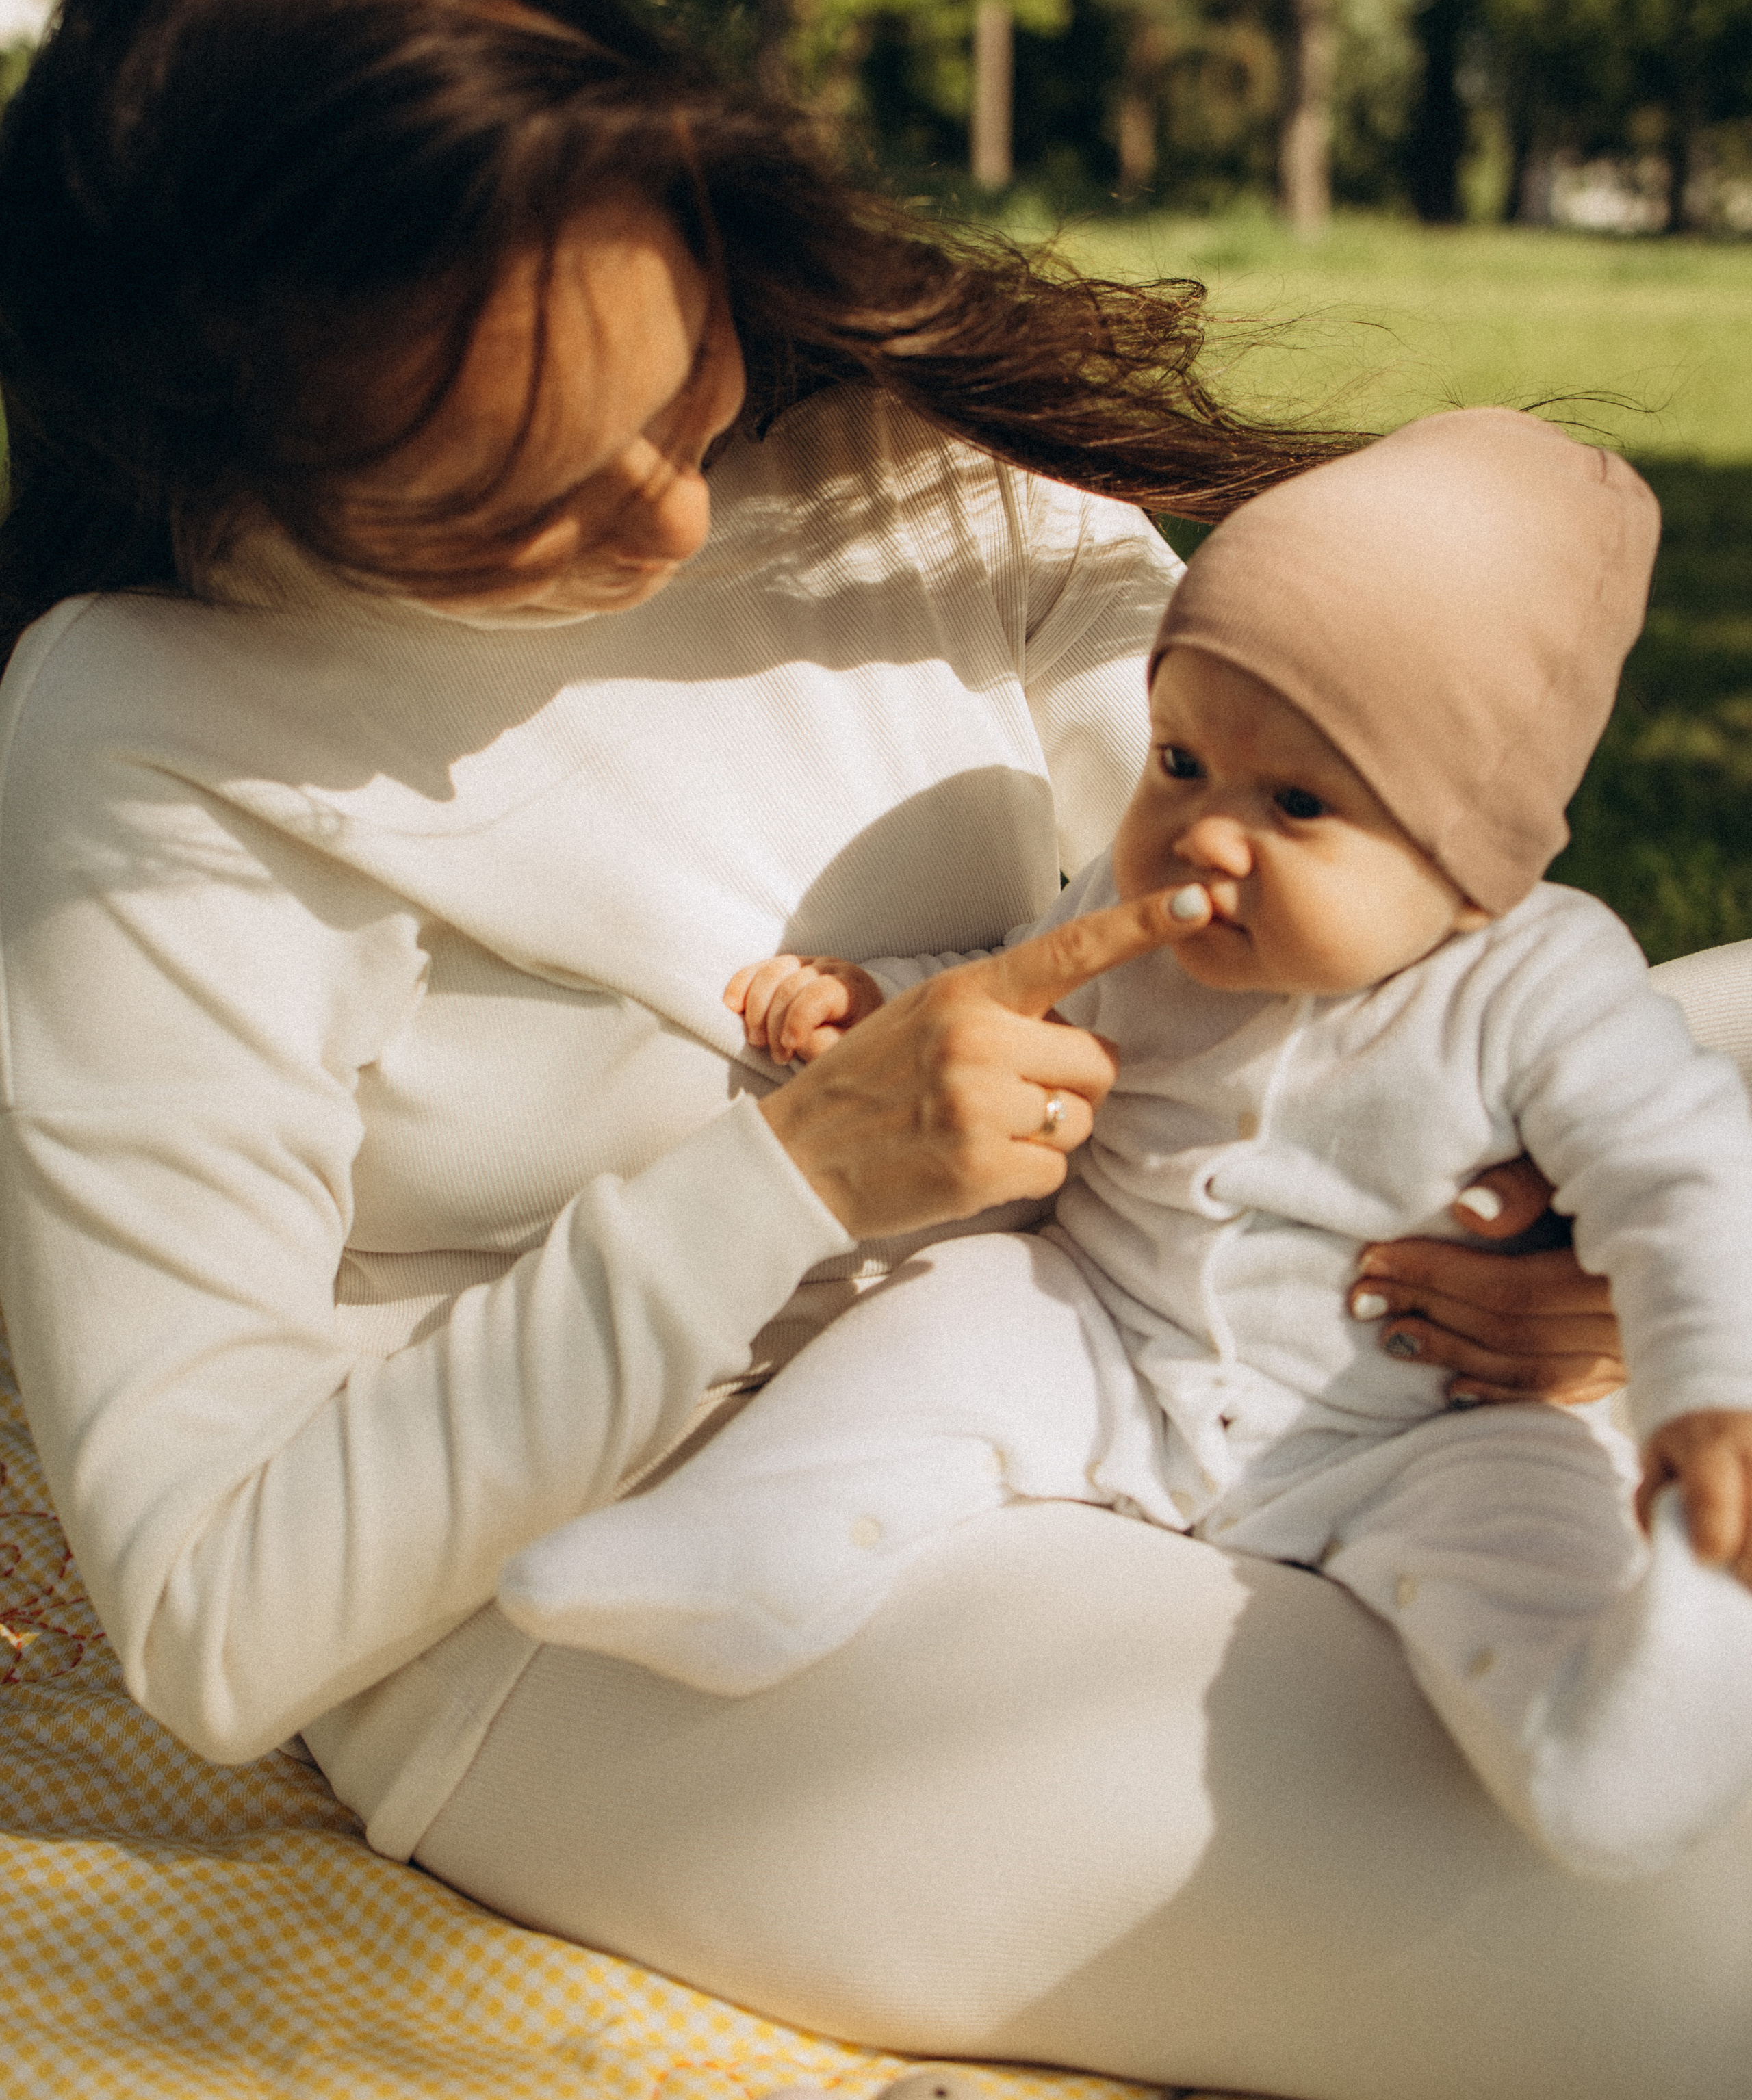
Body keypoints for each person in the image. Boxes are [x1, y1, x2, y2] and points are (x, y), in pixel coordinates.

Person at [0, 0, 1741, 2100]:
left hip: (1227, 1329)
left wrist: (1560, 1263)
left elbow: (1332, 954)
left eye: (686, 379)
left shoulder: (918, 469)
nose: (663, 518)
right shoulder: (151, 726)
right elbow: (218, 1610)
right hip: (628, 1569)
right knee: (1688, 1918)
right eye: (508, 501)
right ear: (239, 437)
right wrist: (790, 1173)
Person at [500, 406, 1752, 1881]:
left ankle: (1620, 1726)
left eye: (1294, 802)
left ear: (1465, 857)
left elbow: (1680, 1180)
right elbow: (1017, 977)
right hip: (1106, 1340)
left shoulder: (1535, 982)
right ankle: (739, 1553)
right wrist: (872, 1004)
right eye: (1178, 760)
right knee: (952, 1322)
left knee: (1524, 1537)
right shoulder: (1136, 912)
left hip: (1410, 1422)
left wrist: (1706, 1390)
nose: (1203, 836)